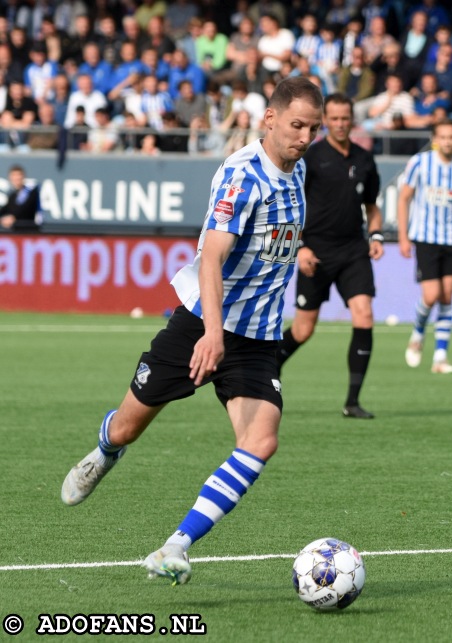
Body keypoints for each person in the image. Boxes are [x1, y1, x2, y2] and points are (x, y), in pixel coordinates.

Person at [60, 77, 324, 585]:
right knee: (128, 426)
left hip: (259, 337)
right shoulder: (242, 177)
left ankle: (175, 546)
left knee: (261, 440)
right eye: (296, 125)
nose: (305, 136)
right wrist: (211, 332)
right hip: (202, 326)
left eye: (312, 127)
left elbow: (275, 236)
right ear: (269, 119)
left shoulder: (299, 168)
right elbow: (212, 259)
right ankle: (105, 452)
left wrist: (299, 249)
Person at [276, 93, 384, 419]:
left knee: (364, 315)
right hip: (316, 252)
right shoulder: (310, 157)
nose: (339, 124)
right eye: (333, 119)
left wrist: (376, 235)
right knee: (303, 330)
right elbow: (291, 206)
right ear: (326, 122)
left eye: (344, 118)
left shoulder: (365, 159)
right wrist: (301, 247)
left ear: (352, 120)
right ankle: (270, 365)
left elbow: (372, 206)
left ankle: (352, 402)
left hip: (353, 251)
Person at [398, 119, 452, 374]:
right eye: (443, 137)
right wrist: (403, 236)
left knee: (447, 297)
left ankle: (440, 357)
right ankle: (417, 333)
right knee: (431, 295)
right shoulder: (420, 163)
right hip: (426, 238)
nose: (447, 141)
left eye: (451, 137)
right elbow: (404, 199)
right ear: (435, 138)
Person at [0, 165, 40, 231]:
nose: (16, 178)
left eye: (19, 175)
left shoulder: (31, 192)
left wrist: (13, 218)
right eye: (14, 176)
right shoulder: (12, 196)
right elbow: (4, 210)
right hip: (16, 233)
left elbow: (24, 209)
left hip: (29, 232)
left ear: (23, 176)